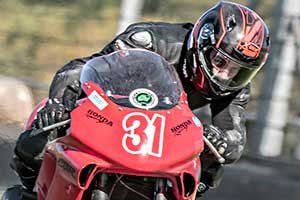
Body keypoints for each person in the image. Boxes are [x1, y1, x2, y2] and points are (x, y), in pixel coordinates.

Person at [11, 1, 270, 198]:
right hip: (112, 112)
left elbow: (235, 139)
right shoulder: (149, 40)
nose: (226, 75)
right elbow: (83, 69)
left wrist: (220, 141)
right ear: (202, 44)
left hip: (168, 131)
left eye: (238, 71)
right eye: (221, 62)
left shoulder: (235, 89)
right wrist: (60, 104)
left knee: (211, 165)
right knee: (45, 120)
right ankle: (29, 191)